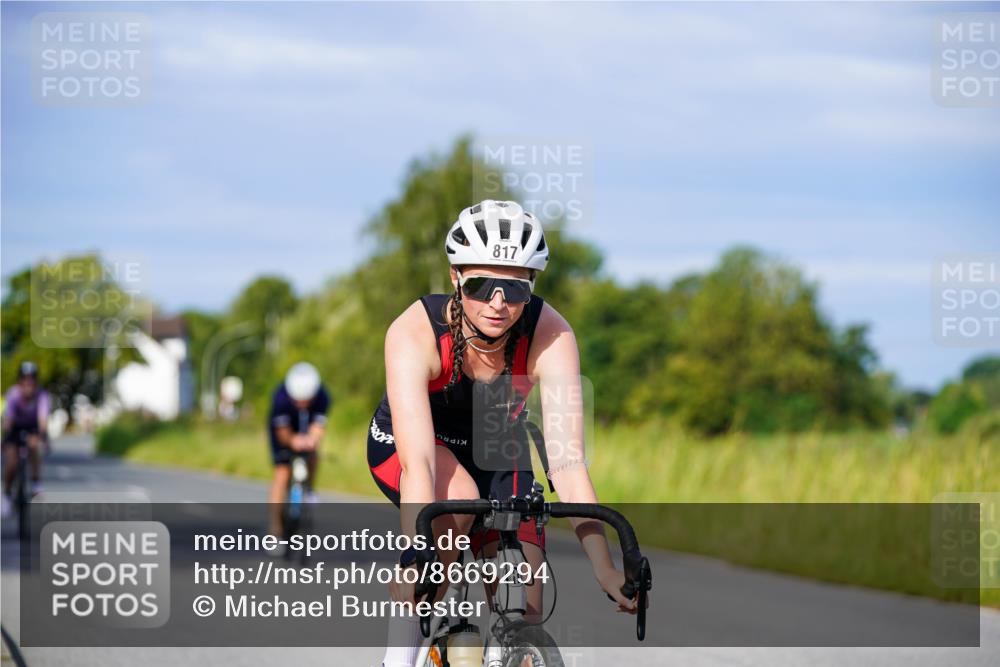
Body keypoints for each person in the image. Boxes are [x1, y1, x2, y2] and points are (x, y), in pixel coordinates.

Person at [367, 200, 639, 667]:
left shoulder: (551, 334)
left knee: (525, 605)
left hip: (496, 441)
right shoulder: (414, 332)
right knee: (449, 521)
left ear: (531, 286)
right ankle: (400, 657)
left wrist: (605, 567)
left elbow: (568, 463)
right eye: (480, 285)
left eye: (514, 289)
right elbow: (420, 465)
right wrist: (417, 554)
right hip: (416, 445)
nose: (498, 303)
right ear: (455, 278)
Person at [267, 362, 330, 539]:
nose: (302, 404)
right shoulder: (280, 398)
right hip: (284, 431)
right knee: (282, 473)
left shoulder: (322, 396)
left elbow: (318, 426)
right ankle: (275, 529)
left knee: (313, 455)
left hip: (306, 428)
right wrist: (292, 441)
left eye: (306, 401)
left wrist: (312, 440)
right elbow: (283, 433)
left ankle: (309, 488)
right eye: (298, 402)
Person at [2, 361, 51, 518]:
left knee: (34, 446)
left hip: (32, 428)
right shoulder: (13, 394)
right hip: (14, 428)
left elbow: (43, 419)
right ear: (20, 381)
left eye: (32, 380)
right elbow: (8, 419)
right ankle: (7, 493)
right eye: (25, 380)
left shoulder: (42, 396)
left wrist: (42, 435)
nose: (28, 384)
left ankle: (36, 483)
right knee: (12, 462)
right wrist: (7, 437)